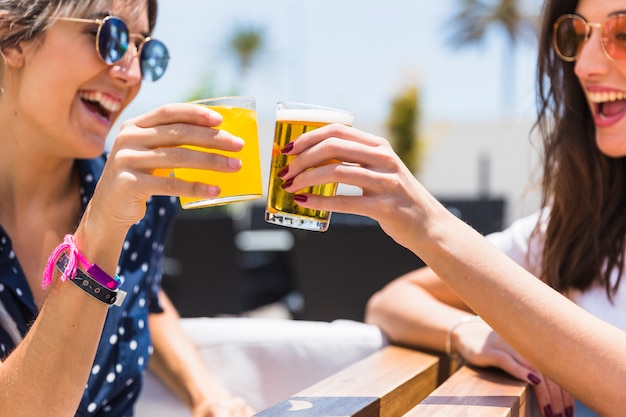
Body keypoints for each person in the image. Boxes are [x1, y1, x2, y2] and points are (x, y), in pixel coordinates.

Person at [275, 0, 626, 416]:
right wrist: (472, 331)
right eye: (577, 36)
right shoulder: (574, 230)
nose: (583, 66)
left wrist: (431, 226)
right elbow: (390, 303)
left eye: (621, 34)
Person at [0, 1, 254, 416]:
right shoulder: (116, 210)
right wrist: (97, 236)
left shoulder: (137, 207)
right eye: (109, 36)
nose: (132, 75)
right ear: (13, 37)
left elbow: (142, 299)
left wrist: (206, 393)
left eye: (145, 51)